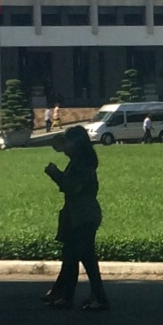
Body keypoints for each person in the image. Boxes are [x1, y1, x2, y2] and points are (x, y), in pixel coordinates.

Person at [42, 126, 109, 311]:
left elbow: (72, 187)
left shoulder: (83, 165)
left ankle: (96, 298)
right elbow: (59, 145)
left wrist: (55, 174)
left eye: (69, 141)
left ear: (77, 144)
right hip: (77, 215)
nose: (66, 146)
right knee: (73, 256)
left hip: (83, 215)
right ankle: (66, 295)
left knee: (83, 257)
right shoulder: (79, 161)